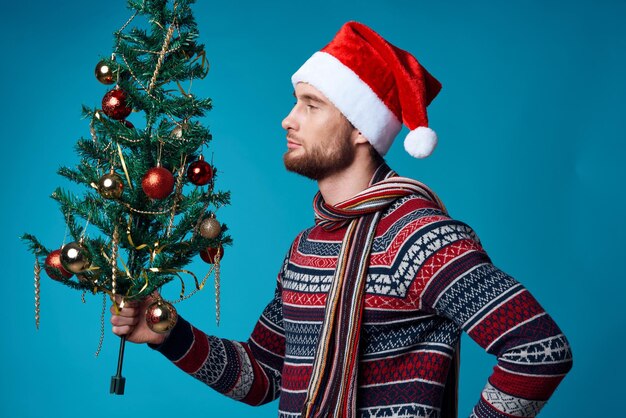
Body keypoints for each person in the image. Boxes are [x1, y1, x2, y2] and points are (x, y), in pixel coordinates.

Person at [111, 21, 572, 418]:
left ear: (359, 128)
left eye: (311, 105)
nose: (288, 120)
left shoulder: (417, 237)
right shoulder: (307, 247)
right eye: (296, 103)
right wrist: (168, 334)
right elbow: (264, 376)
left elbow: (537, 351)